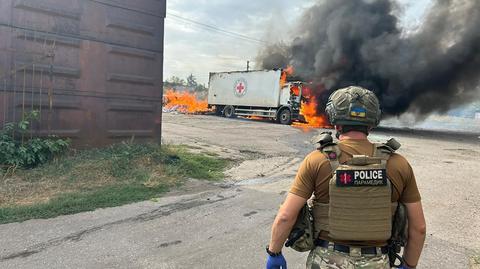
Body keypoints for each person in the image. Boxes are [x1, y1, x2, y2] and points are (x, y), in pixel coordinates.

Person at [265, 86, 426, 269]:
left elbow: (286, 216)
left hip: (325, 260)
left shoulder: (316, 160)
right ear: (372, 123)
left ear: (335, 122)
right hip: (378, 260)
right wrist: (408, 265)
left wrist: (274, 253)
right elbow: (418, 228)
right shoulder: (399, 164)